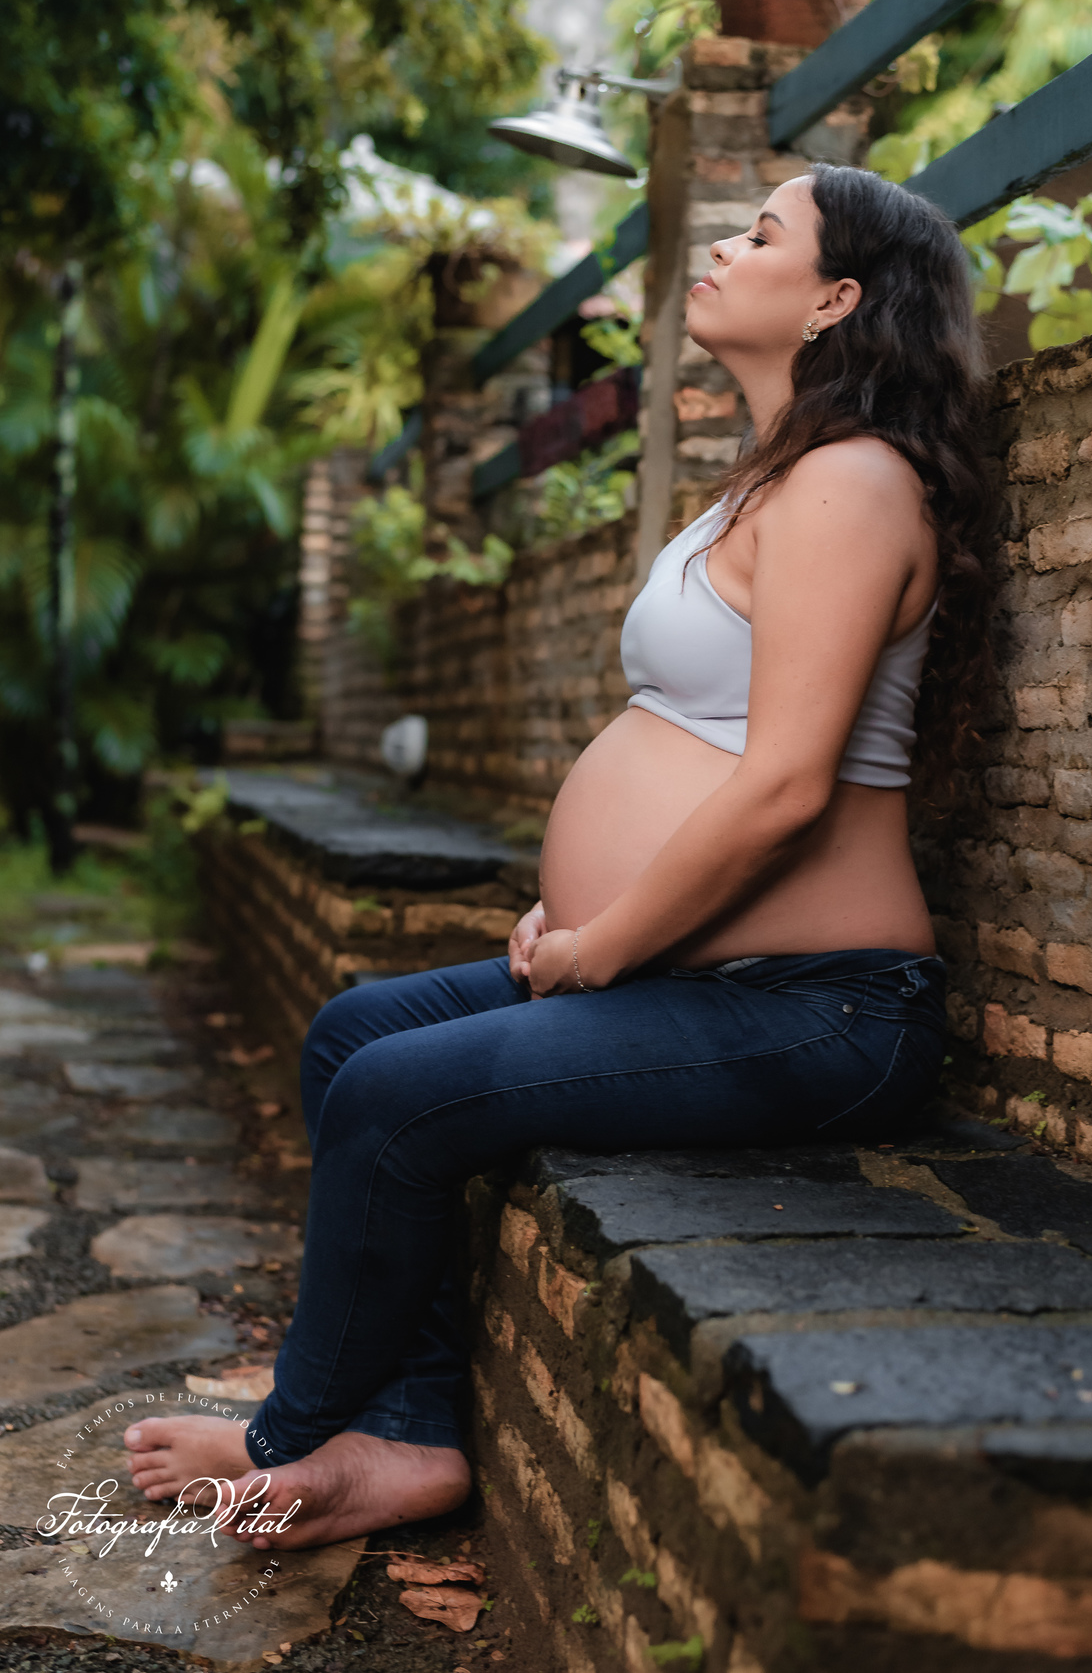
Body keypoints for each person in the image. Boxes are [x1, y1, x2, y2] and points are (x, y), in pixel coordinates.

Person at [124, 163, 993, 1549]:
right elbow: (690, 743)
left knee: (397, 1099)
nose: (718, 242)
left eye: (758, 231)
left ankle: (304, 1435)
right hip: (701, 971)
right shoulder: (768, 482)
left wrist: (606, 937)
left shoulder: (854, 485)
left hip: (822, 1002)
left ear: (836, 298)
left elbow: (781, 789)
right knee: (354, 1035)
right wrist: (580, 898)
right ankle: (406, 1428)